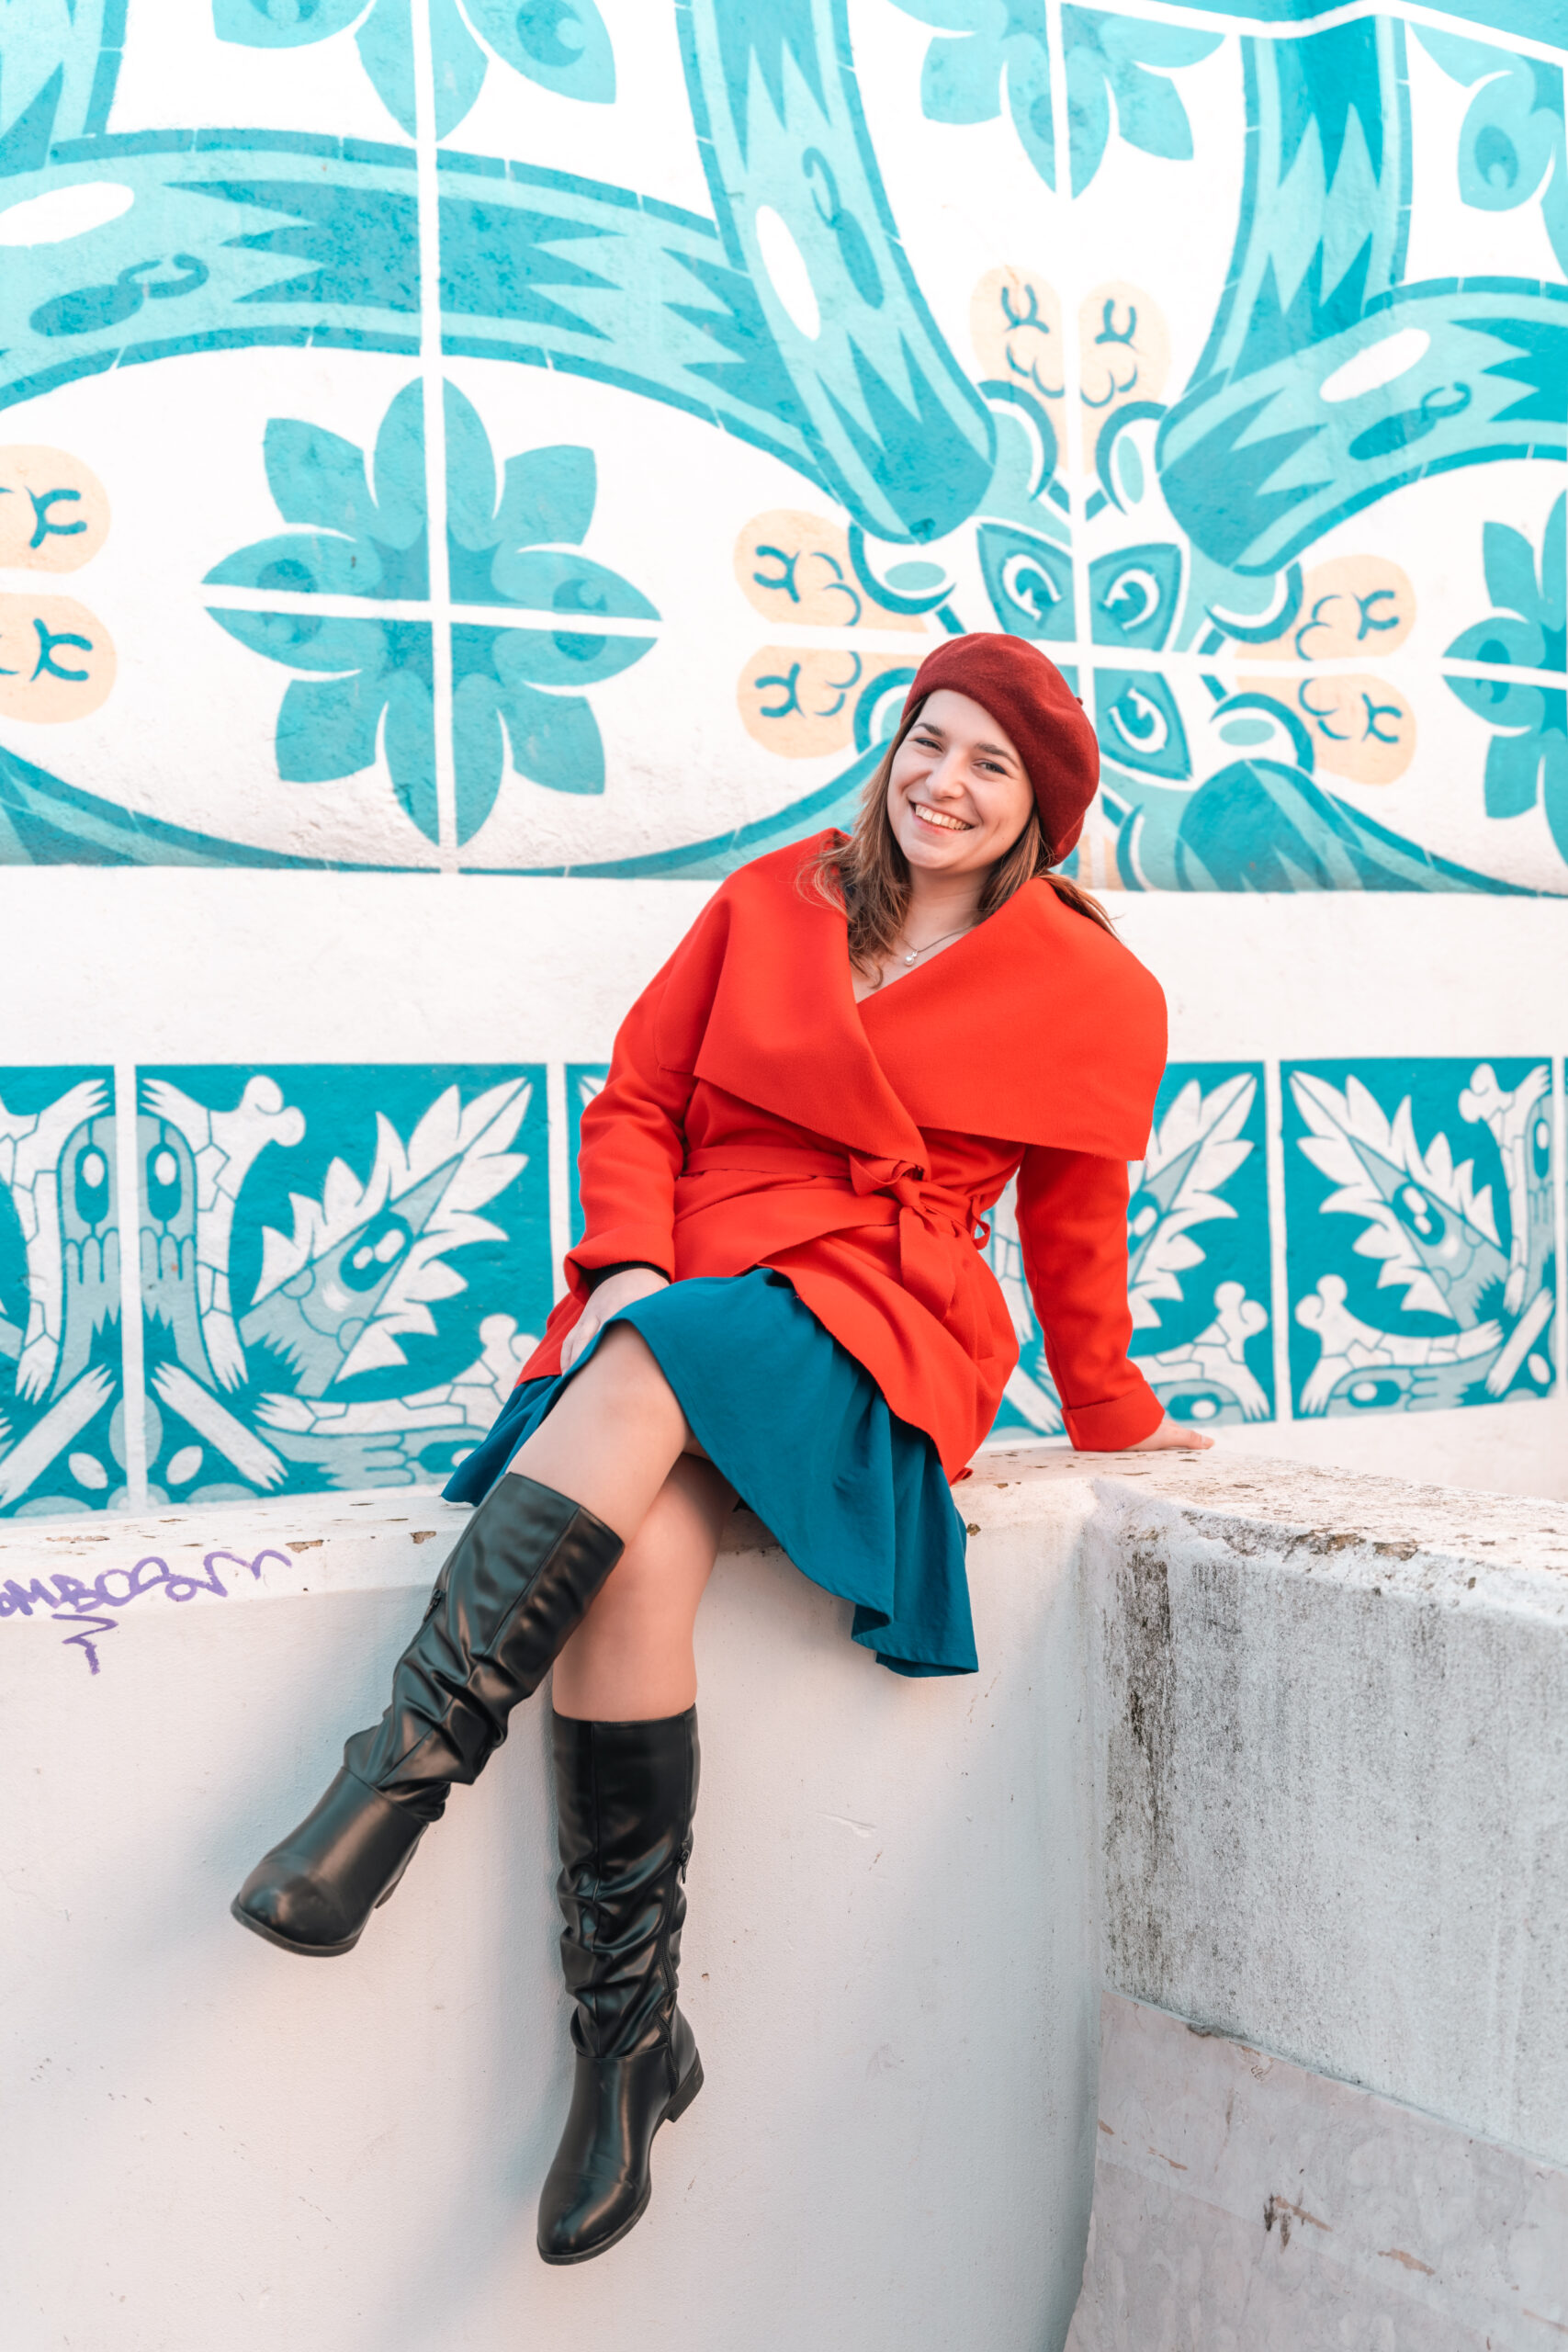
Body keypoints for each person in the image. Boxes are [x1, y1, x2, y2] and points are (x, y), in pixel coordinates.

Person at [231, 630, 1211, 2265]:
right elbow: (637, 1098)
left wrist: (1113, 1409)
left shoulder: (1095, 987)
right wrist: (623, 1252)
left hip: (889, 1306)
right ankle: (629, 2039)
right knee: (640, 1558)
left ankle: (386, 1795)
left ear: (1040, 811)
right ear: (891, 747)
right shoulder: (776, 899)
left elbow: (1074, 1239)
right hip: (694, 1275)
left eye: (989, 767)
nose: (943, 783)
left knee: (653, 1354)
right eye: (929, 741)